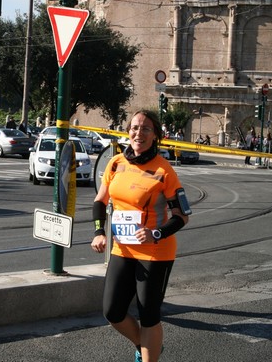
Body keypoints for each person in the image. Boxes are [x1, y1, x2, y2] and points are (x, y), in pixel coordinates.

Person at [90, 109, 190, 362]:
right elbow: (100, 201)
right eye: (135, 127)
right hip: (122, 248)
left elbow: (182, 216)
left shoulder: (164, 170)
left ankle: (149, 354)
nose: (139, 133)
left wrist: (155, 232)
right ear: (128, 131)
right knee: (112, 312)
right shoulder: (116, 163)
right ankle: (145, 346)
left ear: (155, 134)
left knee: (148, 316)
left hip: (155, 251)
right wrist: (99, 232)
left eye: (146, 129)